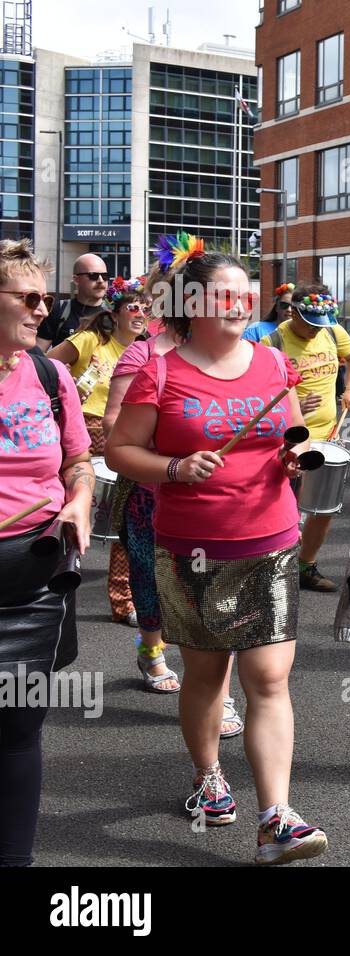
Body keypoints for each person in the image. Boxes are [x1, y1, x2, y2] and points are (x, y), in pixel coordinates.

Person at [107, 240, 328, 865]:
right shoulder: (161, 370)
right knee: (207, 677)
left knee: (269, 677)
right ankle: (208, 777)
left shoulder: (271, 364)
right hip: (195, 549)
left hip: (272, 539)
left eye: (245, 293)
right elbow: (121, 452)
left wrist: (295, 456)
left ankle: (275, 817)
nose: (240, 303)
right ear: (192, 303)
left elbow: (294, 435)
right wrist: (174, 466)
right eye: (225, 294)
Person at [102, 293, 245, 736]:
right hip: (152, 494)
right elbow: (113, 425)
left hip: (218, 499)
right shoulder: (143, 353)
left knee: (214, 592)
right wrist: (171, 460)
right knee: (155, 583)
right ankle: (151, 647)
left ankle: (218, 694)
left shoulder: (227, 352)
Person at [0, 238, 93, 867]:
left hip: (32, 586)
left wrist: (79, 500)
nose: (42, 310)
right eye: (28, 297)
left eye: (46, 298)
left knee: (16, 731)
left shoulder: (49, 374)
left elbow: (78, 462)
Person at [47, 275, 149, 626]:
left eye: (147, 308)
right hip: (82, 432)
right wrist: (73, 389)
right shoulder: (91, 339)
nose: (141, 313)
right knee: (69, 509)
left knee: (126, 518)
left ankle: (125, 601)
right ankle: (52, 578)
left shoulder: (147, 349)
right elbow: (47, 367)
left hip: (125, 435)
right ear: (117, 311)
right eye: (134, 306)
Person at [260, 282, 350, 592]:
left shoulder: (332, 332)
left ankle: (306, 565)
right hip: (289, 440)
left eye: (322, 323)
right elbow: (258, 392)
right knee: (283, 509)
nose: (317, 330)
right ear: (294, 312)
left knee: (322, 507)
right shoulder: (273, 341)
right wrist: (289, 404)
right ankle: (273, 570)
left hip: (328, 437)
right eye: (310, 323)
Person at [35, 253, 108, 351]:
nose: (100, 280)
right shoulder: (60, 310)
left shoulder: (114, 314)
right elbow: (38, 354)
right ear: (76, 280)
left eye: (105, 276)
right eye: (93, 276)